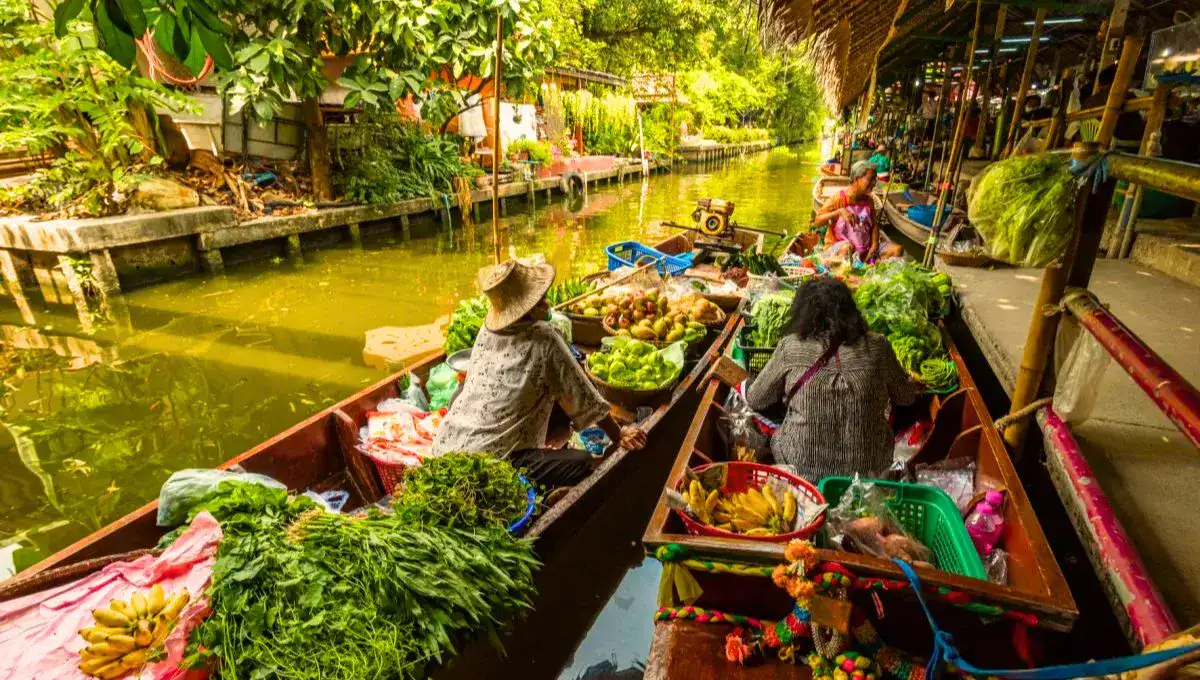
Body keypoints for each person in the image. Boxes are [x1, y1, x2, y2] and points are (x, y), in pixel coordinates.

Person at [432, 259, 647, 487]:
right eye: (538, 299)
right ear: (524, 308)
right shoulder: (544, 337)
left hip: (446, 446)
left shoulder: (487, 331)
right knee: (585, 462)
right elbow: (582, 394)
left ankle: (554, 437)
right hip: (490, 464)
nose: (546, 301)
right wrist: (620, 434)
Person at [745, 278, 917, 480]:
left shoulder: (790, 347)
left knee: (748, 394)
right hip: (870, 472)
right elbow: (906, 397)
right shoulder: (878, 346)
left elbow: (756, 399)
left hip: (802, 469)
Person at [812, 160, 903, 262]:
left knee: (897, 250)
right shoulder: (838, 199)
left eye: (875, 179)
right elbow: (817, 222)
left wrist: (874, 244)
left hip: (865, 247)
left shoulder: (869, 200)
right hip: (841, 247)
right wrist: (839, 212)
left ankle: (868, 262)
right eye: (871, 179)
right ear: (856, 179)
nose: (874, 183)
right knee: (848, 248)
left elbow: (874, 225)